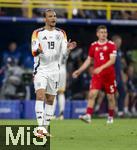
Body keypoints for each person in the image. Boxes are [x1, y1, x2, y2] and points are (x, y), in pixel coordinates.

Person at [31, 9, 77, 137]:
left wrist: (68, 49)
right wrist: (38, 50)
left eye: (55, 16)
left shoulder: (61, 33)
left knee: (50, 100)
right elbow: (34, 50)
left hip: (55, 70)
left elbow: (63, 53)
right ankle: (39, 129)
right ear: (45, 19)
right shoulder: (37, 33)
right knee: (40, 96)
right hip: (41, 69)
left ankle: (45, 129)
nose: (53, 18)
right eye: (50, 16)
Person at [73, 25, 117, 124]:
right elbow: (89, 60)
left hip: (109, 75)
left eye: (105, 32)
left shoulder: (111, 45)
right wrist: (79, 70)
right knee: (92, 94)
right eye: (101, 32)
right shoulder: (93, 46)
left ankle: (110, 117)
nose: (103, 34)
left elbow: (112, 60)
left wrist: (100, 68)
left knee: (110, 97)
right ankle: (88, 115)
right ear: (97, 34)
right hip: (97, 75)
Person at [112, 35, 126, 117]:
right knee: (113, 94)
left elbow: (120, 65)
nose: (119, 44)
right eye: (117, 42)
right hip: (112, 76)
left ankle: (120, 111)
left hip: (119, 76)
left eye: (120, 43)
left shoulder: (119, 51)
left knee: (123, 93)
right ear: (113, 42)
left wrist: (122, 74)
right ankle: (112, 111)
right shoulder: (110, 50)